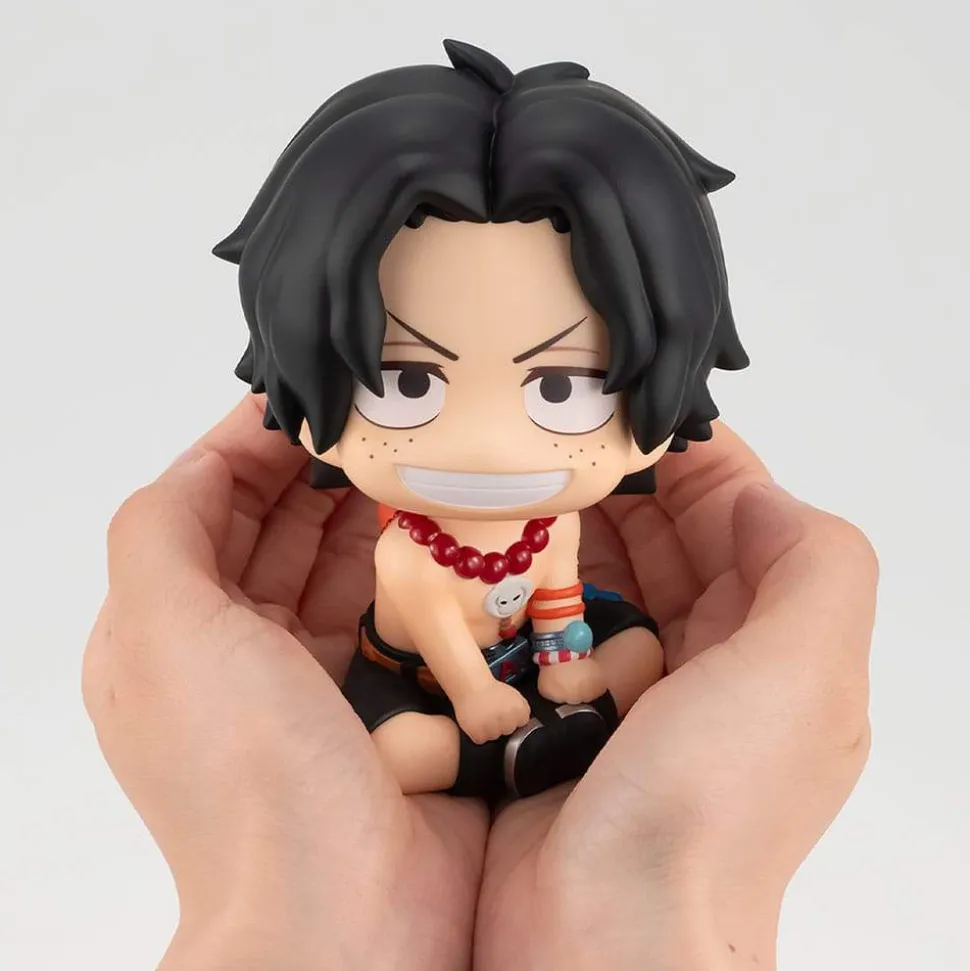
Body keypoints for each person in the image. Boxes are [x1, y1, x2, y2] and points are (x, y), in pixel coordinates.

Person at [83, 394, 877, 970]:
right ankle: (532, 747)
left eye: (557, 390)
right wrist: (472, 696)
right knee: (395, 751)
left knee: (637, 645)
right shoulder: (405, 551)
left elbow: (559, 592)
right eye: (411, 386)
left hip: (524, 651)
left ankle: (541, 734)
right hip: (420, 674)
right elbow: (437, 635)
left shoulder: (555, 521)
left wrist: (564, 659)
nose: (489, 441)